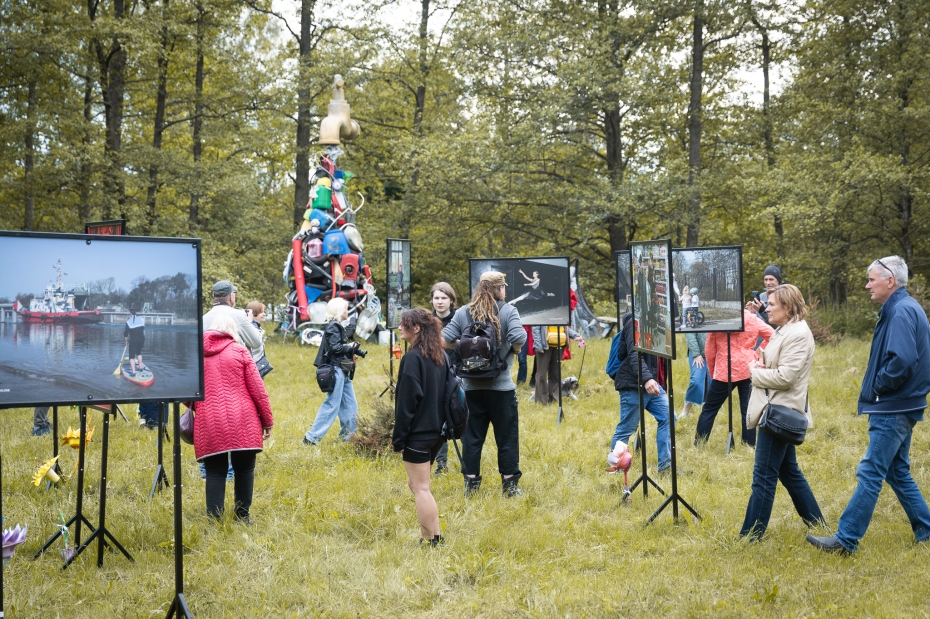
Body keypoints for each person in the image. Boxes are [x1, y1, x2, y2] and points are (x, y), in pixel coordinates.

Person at [808, 256, 930, 554]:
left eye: (871, 279)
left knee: (871, 471)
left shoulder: (900, 312)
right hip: (903, 404)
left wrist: (878, 387)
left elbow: (902, 361)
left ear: (890, 281)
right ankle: (926, 530)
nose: (867, 285)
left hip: (892, 407)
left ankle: (846, 539)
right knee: (897, 471)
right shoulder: (905, 307)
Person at [740, 284, 824, 540]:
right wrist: (761, 360)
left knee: (763, 478)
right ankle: (819, 525)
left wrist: (755, 372)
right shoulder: (786, 329)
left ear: (787, 307)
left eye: (773, 304)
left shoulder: (798, 333)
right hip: (777, 408)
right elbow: (780, 363)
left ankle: (750, 537)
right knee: (790, 473)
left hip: (779, 412)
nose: (767, 307)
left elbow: (787, 377)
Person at [442, 271, 527, 497]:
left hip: (470, 389)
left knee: (472, 438)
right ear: (499, 289)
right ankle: (509, 486)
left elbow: (444, 339)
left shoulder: (463, 312)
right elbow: (520, 338)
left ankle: (471, 486)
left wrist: (463, 346)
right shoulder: (508, 311)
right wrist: (514, 351)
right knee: (507, 437)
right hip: (502, 389)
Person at [195, 315, 273, 522]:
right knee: (245, 468)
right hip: (243, 418)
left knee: (214, 471)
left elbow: (188, 394)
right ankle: (242, 516)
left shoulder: (196, 355)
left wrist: (201, 406)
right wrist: (267, 422)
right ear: (232, 332)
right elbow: (258, 390)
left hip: (209, 418)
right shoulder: (239, 351)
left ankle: (215, 519)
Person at [392, 309, 448, 546]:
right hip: (437, 432)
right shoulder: (440, 355)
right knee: (419, 485)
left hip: (418, 434)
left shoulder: (413, 358)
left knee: (421, 488)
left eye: (404, 324)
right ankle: (436, 535)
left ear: (416, 328)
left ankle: (428, 541)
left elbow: (406, 404)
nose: (399, 328)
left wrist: (399, 439)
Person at [694, 310, 774, 447]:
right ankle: (749, 445)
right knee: (748, 409)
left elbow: (710, 349)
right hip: (748, 368)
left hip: (724, 369)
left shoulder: (718, 320)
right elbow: (773, 336)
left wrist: (713, 370)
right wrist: (754, 355)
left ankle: (699, 445)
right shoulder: (752, 319)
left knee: (709, 409)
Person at [610, 312, 673, 474]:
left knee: (668, 417)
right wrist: (646, 379)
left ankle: (665, 465)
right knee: (626, 429)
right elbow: (633, 353)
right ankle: (615, 470)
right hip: (633, 383)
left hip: (651, 383)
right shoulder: (634, 321)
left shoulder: (655, 320)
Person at [303, 298, 360, 445]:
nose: (348, 311)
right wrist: (350, 346)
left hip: (343, 370)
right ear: (339, 310)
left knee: (351, 405)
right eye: (346, 309)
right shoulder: (333, 326)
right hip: (336, 371)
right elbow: (336, 348)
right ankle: (311, 438)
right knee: (332, 405)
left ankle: (347, 438)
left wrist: (350, 352)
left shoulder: (337, 326)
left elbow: (337, 348)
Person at [430, 282, 457, 475]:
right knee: (438, 420)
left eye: (444, 298)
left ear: (451, 300)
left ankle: (470, 462)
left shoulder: (459, 319)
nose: (440, 302)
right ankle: (441, 464)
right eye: (436, 298)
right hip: (434, 374)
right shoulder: (427, 322)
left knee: (460, 415)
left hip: (458, 374)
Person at [202, 280, 262, 353]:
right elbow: (256, 343)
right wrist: (250, 321)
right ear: (231, 296)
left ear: (213, 296)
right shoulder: (239, 315)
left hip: (210, 363)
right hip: (235, 362)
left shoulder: (203, 319)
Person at [530, 324, 584, 405]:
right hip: (544, 346)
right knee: (541, 374)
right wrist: (538, 345)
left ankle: (554, 399)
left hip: (559, 345)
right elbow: (536, 328)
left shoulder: (561, 312)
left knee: (555, 374)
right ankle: (541, 401)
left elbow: (564, 328)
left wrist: (575, 336)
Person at [678, 331, 706, 421]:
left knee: (713, 382)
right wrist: (696, 354)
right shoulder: (691, 316)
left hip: (715, 352)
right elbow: (690, 333)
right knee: (696, 381)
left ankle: (709, 411)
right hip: (698, 353)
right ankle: (686, 411)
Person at [124, 307, 146, 376]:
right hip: (141, 339)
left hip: (133, 340)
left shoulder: (128, 322)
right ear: (136, 313)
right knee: (139, 352)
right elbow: (142, 328)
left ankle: (133, 372)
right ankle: (140, 367)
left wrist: (126, 342)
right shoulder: (142, 320)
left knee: (131, 356)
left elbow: (126, 334)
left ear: (130, 313)